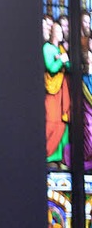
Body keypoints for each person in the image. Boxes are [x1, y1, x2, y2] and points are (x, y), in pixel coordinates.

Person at [44, 19, 71, 165]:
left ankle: (63, 158)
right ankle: (49, 157)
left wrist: (63, 59)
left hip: (62, 93)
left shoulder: (61, 49)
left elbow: (71, 66)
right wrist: (61, 60)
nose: (61, 34)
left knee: (63, 124)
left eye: (61, 31)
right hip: (52, 93)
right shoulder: (47, 48)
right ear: (52, 33)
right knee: (52, 123)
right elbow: (52, 68)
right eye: (59, 31)